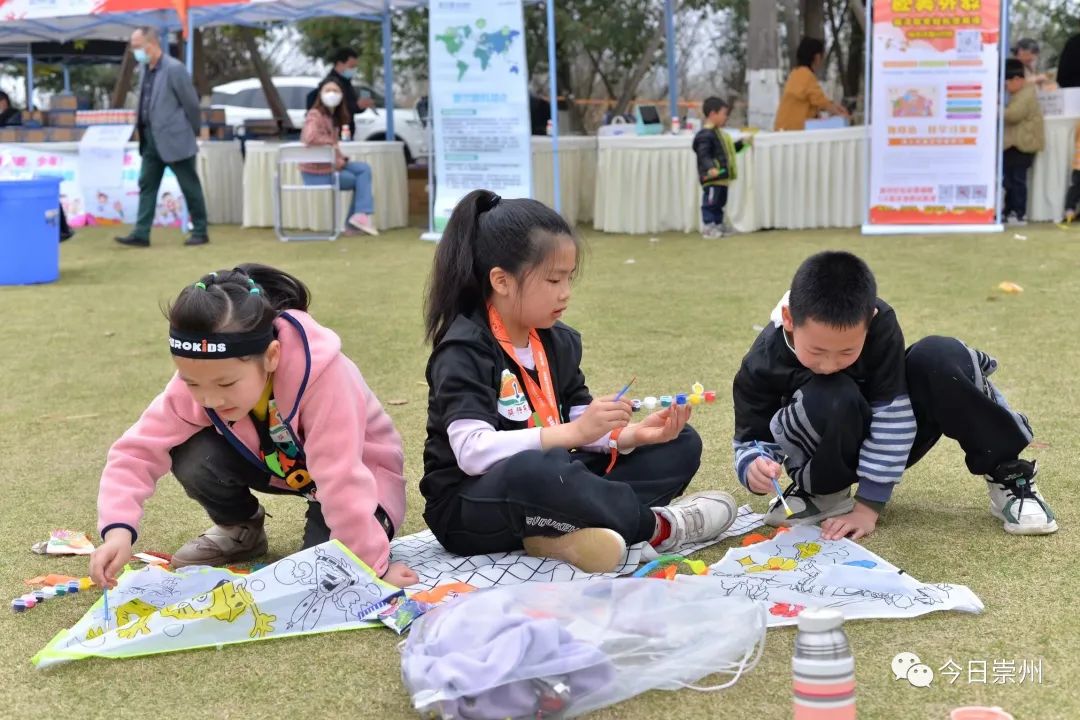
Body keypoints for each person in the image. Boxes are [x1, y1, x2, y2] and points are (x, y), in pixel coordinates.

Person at [421, 189, 738, 574]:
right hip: (471, 507)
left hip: (551, 484)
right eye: (553, 280)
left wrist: (631, 436)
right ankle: (659, 527)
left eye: (569, 278)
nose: (566, 293)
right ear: (502, 281)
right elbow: (472, 452)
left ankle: (561, 534)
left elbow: (576, 417)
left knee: (680, 443)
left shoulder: (558, 340)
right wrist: (574, 432)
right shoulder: (465, 349)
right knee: (539, 469)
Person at [89, 264, 416, 590]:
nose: (209, 398)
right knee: (192, 452)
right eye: (192, 383)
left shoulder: (324, 377)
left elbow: (342, 476)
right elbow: (136, 451)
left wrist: (368, 569)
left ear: (272, 356)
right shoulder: (208, 373)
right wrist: (118, 531)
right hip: (285, 468)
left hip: (360, 479)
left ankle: (360, 531)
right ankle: (241, 529)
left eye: (226, 383)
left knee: (324, 576)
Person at [732, 251, 1057, 541]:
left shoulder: (881, 324)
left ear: (870, 320)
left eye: (847, 352)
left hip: (895, 438)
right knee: (831, 391)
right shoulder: (761, 363)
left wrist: (868, 507)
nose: (829, 364)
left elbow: (893, 415)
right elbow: (752, 439)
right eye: (816, 351)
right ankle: (825, 493)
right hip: (828, 443)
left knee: (937, 357)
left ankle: (1008, 473)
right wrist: (754, 466)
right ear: (789, 319)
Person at [115, 26, 209, 248]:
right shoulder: (145, 70)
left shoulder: (174, 69)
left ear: (151, 44)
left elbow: (191, 104)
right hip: (150, 139)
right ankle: (141, 233)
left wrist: (192, 131)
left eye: (137, 47)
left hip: (176, 139)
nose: (135, 52)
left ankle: (200, 230)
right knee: (147, 185)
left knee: (189, 186)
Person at [301, 78, 378, 236]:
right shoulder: (315, 115)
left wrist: (340, 157)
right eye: (328, 90)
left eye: (335, 91)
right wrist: (332, 143)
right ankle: (356, 221)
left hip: (331, 165)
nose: (332, 94)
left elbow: (332, 148)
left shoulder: (333, 117)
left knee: (364, 169)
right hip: (318, 172)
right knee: (359, 180)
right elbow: (310, 137)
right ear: (320, 94)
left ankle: (359, 217)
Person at [692, 97, 750, 239]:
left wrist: (742, 144)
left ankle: (718, 224)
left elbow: (728, 152)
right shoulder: (705, 135)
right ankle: (708, 226)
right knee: (710, 203)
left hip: (722, 177)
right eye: (724, 114)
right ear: (713, 114)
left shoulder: (721, 135)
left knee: (720, 203)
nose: (726, 117)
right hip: (712, 177)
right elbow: (703, 154)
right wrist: (710, 168)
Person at [1002, 58, 1045, 226]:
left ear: (1017, 79)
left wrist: (998, 110)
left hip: (1022, 145)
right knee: (1009, 180)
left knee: (1017, 181)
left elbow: (1014, 115)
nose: (1005, 86)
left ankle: (1018, 212)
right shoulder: (1019, 94)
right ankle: (1009, 210)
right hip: (1014, 144)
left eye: (1006, 82)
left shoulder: (1025, 95)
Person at [774, 37, 849, 132]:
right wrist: (842, 114)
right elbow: (822, 102)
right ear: (817, 57)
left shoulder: (795, 74)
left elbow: (814, 103)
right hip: (792, 133)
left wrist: (834, 109)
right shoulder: (806, 75)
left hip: (782, 130)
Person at [306, 48, 367, 139]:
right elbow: (334, 109)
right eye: (351, 66)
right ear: (339, 64)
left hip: (345, 133)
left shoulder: (346, 83)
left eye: (355, 67)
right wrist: (355, 106)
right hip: (333, 134)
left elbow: (349, 107)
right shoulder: (331, 84)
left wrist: (360, 106)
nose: (354, 70)